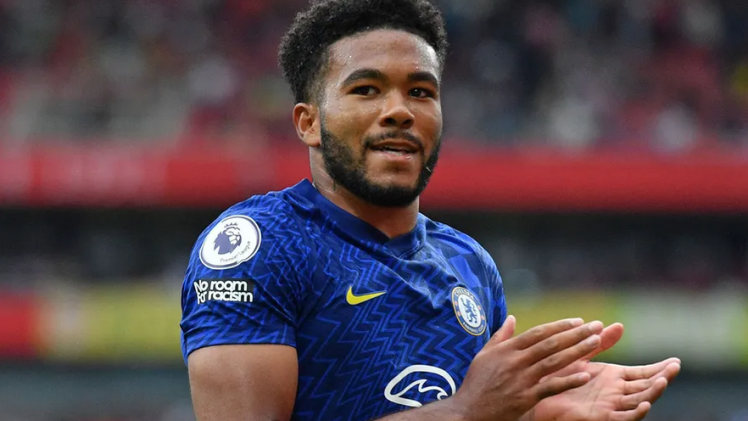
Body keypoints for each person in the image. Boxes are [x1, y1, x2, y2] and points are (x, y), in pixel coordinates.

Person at [180, 0, 681, 420]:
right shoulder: (260, 248)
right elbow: (470, 410)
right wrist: (467, 410)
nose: (400, 111)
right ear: (309, 123)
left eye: (420, 92)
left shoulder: (469, 264)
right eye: (366, 90)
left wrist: (533, 413)